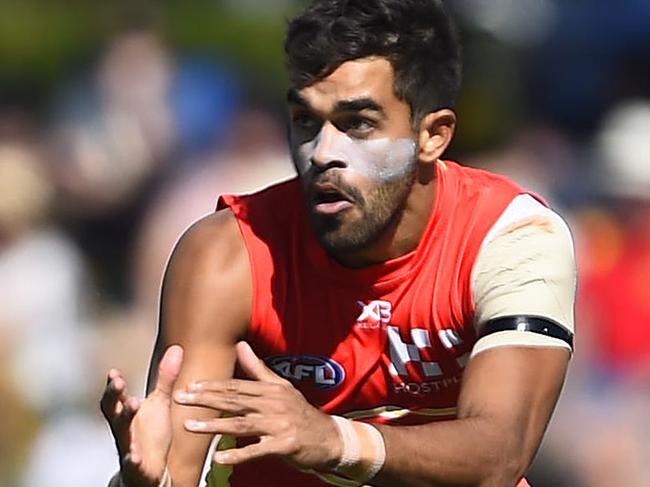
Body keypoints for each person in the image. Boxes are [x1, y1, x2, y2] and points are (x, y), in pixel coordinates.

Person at [101, 1, 576, 486]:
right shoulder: (228, 254)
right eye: (307, 121)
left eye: (358, 123)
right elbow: (173, 468)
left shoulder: (512, 238)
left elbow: (500, 455)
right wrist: (146, 483)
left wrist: (335, 440)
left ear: (432, 136)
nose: (324, 153)